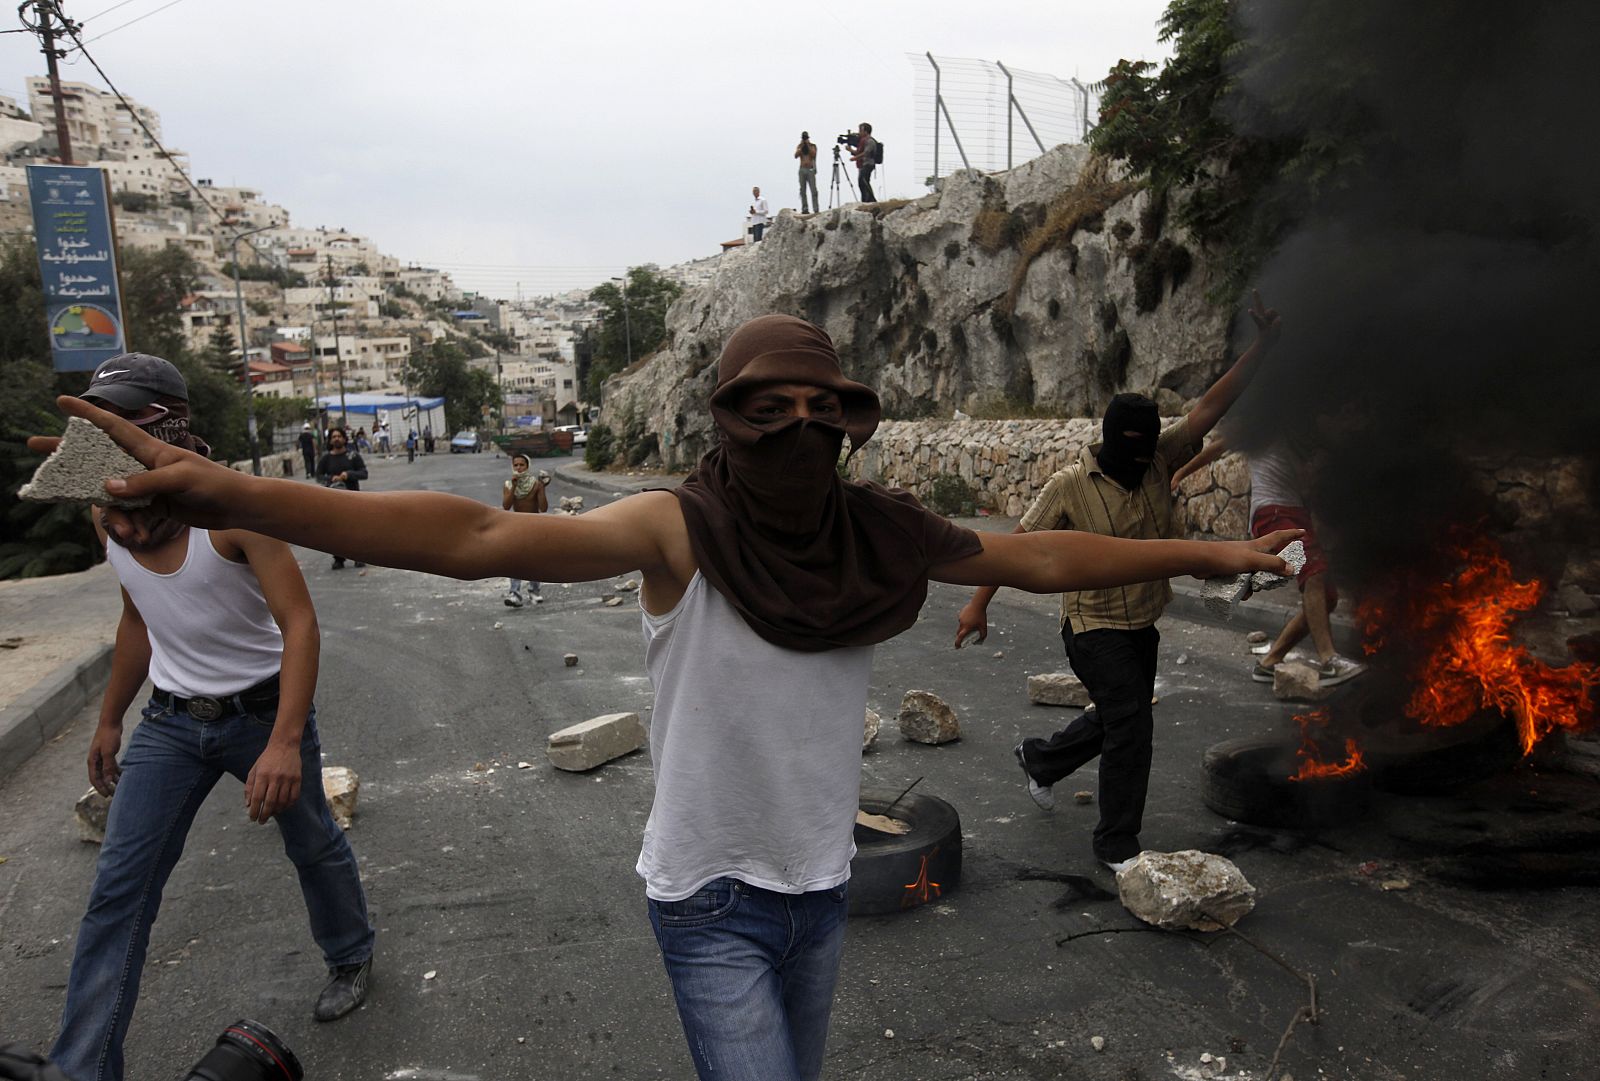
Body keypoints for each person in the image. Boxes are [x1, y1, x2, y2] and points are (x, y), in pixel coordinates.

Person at [55, 316, 1296, 1081]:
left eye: (822, 409)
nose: (797, 428)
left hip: (818, 890)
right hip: (708, 898)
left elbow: (1040, 559)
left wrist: (1201, 557)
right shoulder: (680, 528)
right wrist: (237, 492)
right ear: (725, 418)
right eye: (769, 409)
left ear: (853, 426)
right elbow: (476, 533)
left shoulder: (876, 533)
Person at [41, 354, 374, 1081]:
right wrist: (108, 721)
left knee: (313, 843)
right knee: (118, 892)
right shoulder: (110, 513)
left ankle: (351, 954)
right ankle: (80, 1068)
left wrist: (285, 742)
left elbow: (300, 625)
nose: (106, 435)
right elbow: (138, 617)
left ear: (166, 422)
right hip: (168, 724)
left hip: (260, 713)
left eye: (122, 419)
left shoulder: (231, 510)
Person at [955, 292, 1283, 871]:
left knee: (1116, 715)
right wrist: (977, 606)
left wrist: (1264, 346)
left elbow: (1210, 406)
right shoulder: (1068, 485)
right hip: (1091, 626)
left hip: (1143, 622)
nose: (1140, 464)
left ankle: (1042, 760)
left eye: (1146, 451)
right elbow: (1012, 549)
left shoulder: (1161, 454)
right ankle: (1116, 844)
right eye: (1128, 453)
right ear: (1108, 442)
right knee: (1132, 722)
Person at [1170, 433, 1366, 687]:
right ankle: (1329, 660)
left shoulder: (1304, 427)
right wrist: (1180, 474)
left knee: (1326, 598)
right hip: (1272, 510)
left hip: (1297, 513)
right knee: (1314, 573)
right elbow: (1216, 447)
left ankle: (1269, 662)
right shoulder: (1264, 422)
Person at [315, 427, 368, 570]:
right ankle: (339, 558)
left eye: (339, 436)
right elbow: (318, 476)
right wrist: (331, 478)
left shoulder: (353, 456)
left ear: (344, 439)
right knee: (335, 531)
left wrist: (349, 474)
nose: (336, 439)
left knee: (355, 529)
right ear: (330, 440)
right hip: (332, 500)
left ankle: (359, 557)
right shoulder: (326, 458)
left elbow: (364, 473)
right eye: (334, 437)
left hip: (353, 498)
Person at [501, 455, 548, 607]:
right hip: (516, 524)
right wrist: (514, 487)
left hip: (534, 524)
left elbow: (543, 508)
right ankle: (514, 593)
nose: (519, 468)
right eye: (516, 465)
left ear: (527, 467)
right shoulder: (508, 484)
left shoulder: (535, 484)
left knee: (534, 560)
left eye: (522, 465)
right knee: (515, 560)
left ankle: (534, 591)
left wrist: (541, 489)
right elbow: (506, 506)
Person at [849, 122, 878, 203]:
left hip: (869, 163)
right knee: (862, 182)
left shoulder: (870, 141)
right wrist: (850, 150)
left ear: (866, 131)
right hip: (864, 164)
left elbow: (866, 152)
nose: (859, 132)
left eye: (861, 130)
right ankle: (865, 200)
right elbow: (859, 152)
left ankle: (871, 199)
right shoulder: (863, 141)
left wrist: (855, 158)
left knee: (863, 180)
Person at [795, 133, 819, 214]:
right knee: (802, 190)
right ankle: (805, 208)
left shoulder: (812, 146)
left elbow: (814, 154)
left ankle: (816, 208)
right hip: (802, 169)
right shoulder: (800, 146)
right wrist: (801, 146)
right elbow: (796, 155)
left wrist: (808, 145)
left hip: (810, 169)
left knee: (813, 190)